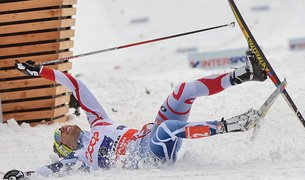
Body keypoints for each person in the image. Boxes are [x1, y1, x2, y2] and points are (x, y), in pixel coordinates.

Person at [3, 50, 267, 179]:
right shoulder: (79, 160)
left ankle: (244, 74)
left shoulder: (98, 122)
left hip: (149, 135)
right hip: (149, 157)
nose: (66, 128)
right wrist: (25, 176)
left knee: (183, 92)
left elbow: (76, 86)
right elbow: (50, 171)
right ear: (65, 150)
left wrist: (40, 72)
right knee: (169, 129)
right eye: (62, 135)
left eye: (63, 128)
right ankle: (234, 124)